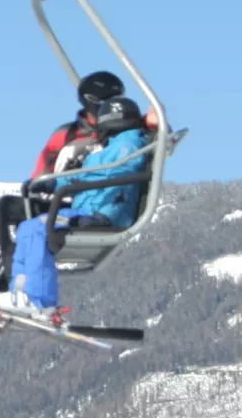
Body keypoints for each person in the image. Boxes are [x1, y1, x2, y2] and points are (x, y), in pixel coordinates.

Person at [0, 71, 126, 293]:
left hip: (85, 205)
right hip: (57, 199)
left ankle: (11, 291)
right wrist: (41, 186)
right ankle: (0, 291)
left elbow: (142, 130)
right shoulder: (66, 135)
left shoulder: (121, 133)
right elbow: (41, 172)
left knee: (6, 208)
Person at [8, 95, 151, 311]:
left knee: (38, 231)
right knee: (28, 228)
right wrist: (51, 184)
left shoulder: (129, 144)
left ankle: (39, 301)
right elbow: (86, 172)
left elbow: (116, 170)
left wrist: (76, 181)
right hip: (90, 208)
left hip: (106, 213)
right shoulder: (110, 148)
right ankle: (19, 293)